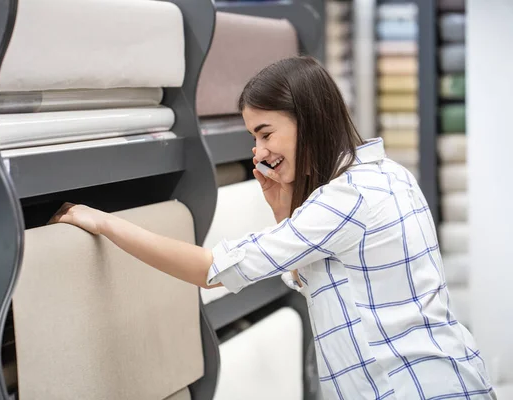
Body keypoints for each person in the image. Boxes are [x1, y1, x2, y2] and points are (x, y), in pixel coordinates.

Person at [49, 56, 495, 399]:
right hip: (447, 377)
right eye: (253, 137)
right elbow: (329, 280)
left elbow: (210, 269)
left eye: (266, 133)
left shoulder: (342, 200)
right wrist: (284, 208)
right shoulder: (388, 174)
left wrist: (104, 222)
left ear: (309, 119)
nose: (257, 152)